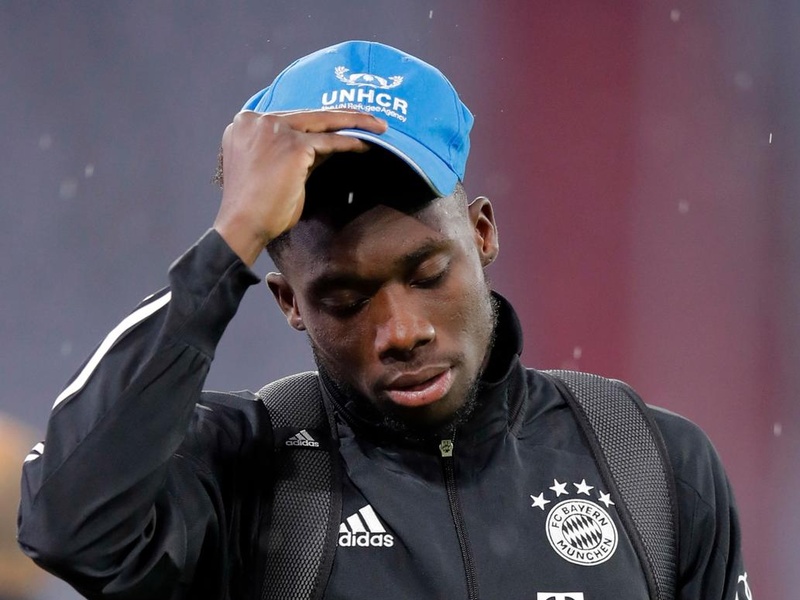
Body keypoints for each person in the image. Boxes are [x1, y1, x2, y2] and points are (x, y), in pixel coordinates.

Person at [18, 40, 750, 600]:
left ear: (484, 235)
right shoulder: (242, 476)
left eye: (428, 273)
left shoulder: (651, 465)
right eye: (344, 298)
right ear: (288, 304)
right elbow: (67, 524)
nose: (401, 331)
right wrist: (229, 242)